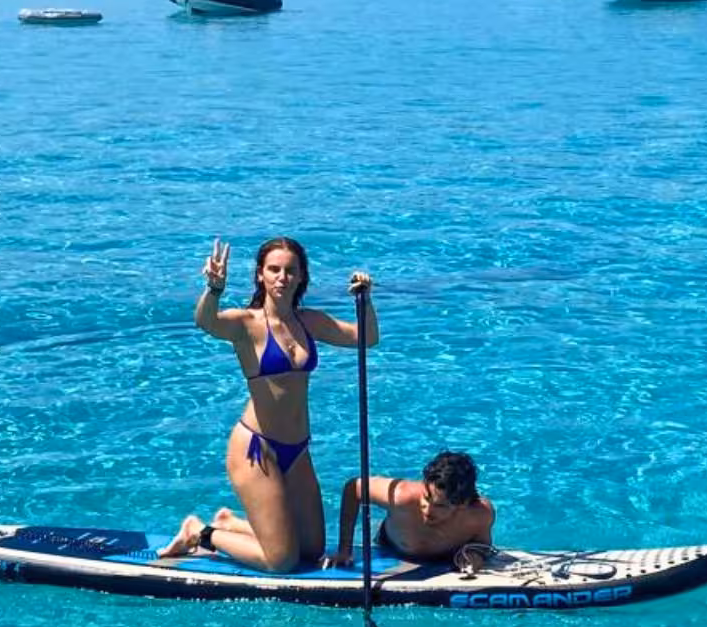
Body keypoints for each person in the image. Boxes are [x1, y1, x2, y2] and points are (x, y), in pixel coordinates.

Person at [158, 238, 377, 572]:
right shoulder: (247, 324)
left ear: (302, 276)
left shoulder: (309, 321)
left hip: (298, 450)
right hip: (256, 449)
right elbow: (206, 321)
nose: (282, 277)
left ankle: (230, 521)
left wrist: (365, 299)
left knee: (311, 549)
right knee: (281, 561)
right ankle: (200, 533)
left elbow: (366, 338)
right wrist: (214, 289)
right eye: (273, 269)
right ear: (260, 275)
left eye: (290, 270)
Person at [327, 451, 496, 572]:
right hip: (391, 546)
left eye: (440, 506)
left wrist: (475, 555)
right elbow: (354, 488)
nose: (427, 509)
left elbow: (482, 545)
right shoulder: (401, 496)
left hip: (446, 556)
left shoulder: (479, 515)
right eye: (426, 497)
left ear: (463, 504)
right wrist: (344, 549)